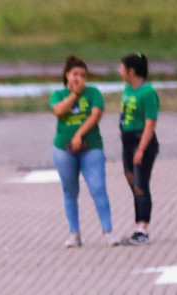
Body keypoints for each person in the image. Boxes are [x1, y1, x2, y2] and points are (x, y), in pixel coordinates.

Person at [49, 55, 118, 247]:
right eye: (74, 74)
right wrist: (74, 95)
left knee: (97, 187)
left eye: (82, 75)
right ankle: (75, 233)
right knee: (70, 190)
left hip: (90, 146)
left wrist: (79, 135)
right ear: (67, 76)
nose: (78, 78)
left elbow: (96, 115)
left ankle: (108, 231)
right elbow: (59, 111)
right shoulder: (58, 94)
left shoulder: (94, 93)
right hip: (64, 148)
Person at [116, 53, 160, 246]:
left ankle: (143, 228)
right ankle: (137, 226)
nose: (119, 71)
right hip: (126, 140)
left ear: (131, 71)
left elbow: (150, 123)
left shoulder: (147, 92)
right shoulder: (127, 89)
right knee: (132, 182)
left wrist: (141, 150)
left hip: (141, 140)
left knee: (141, 184)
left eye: (122, 68)